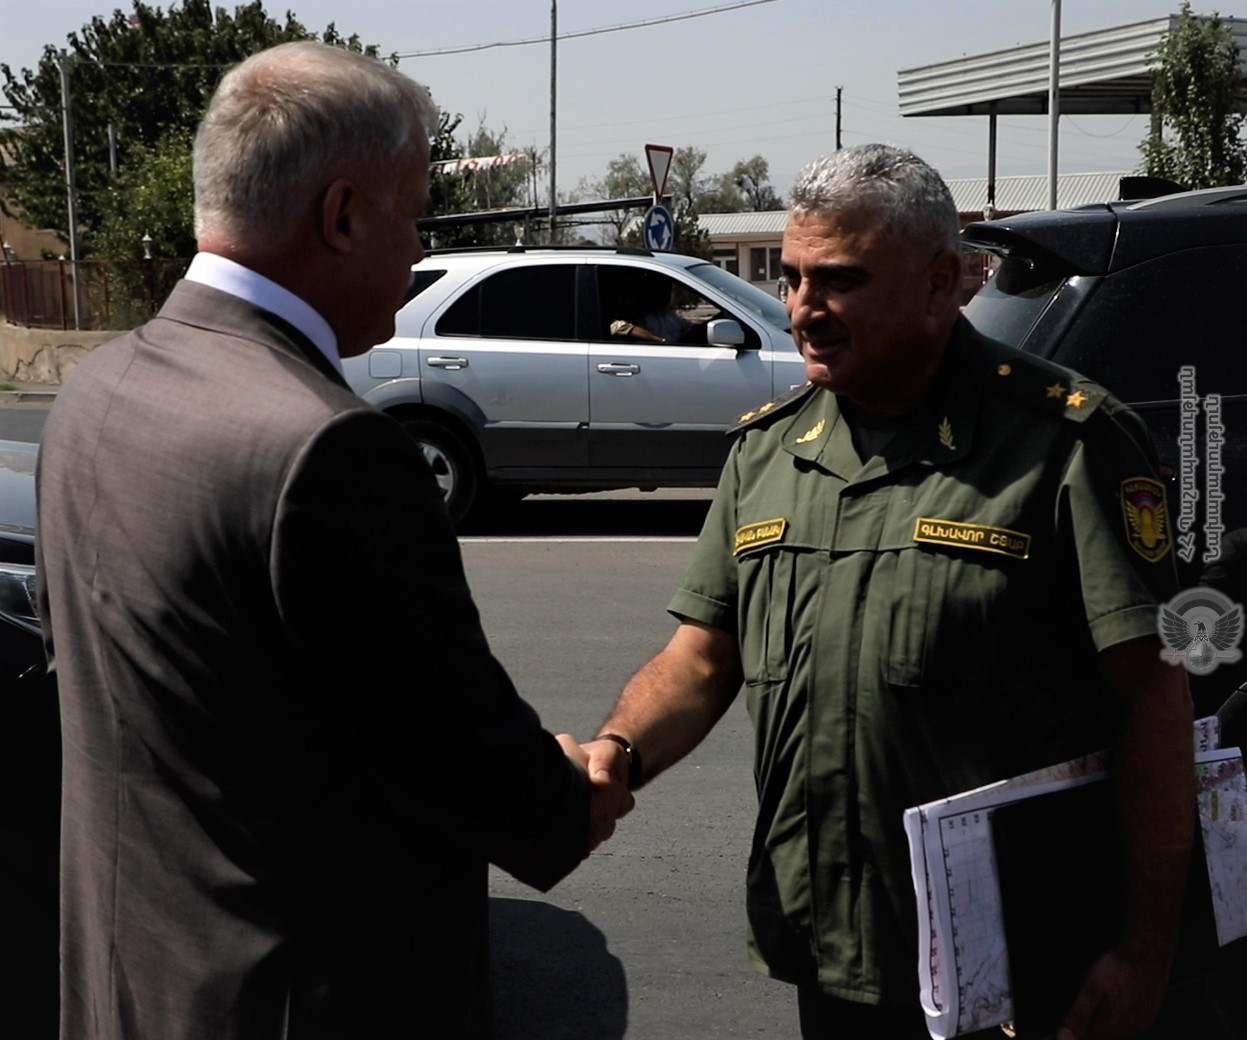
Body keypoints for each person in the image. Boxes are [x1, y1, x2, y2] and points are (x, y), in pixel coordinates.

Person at [35, 42, 631, 1040]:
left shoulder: (97, 390)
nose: (417, 248)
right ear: (343, 215)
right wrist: (575, 786)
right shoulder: (328, 449)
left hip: (132, 981)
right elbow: (459, 753)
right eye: (414, 214)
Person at [582, 144, 1195, 1040]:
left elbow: (1152, 701)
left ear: (941, 281)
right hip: (831, 946)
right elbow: (702, 656)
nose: (801, 308)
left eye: (840, 280)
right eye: (792, 277)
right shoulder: (767, 450)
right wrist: (618, 753)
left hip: (1020, 964)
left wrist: (1145, 951)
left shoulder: (1064, 444)